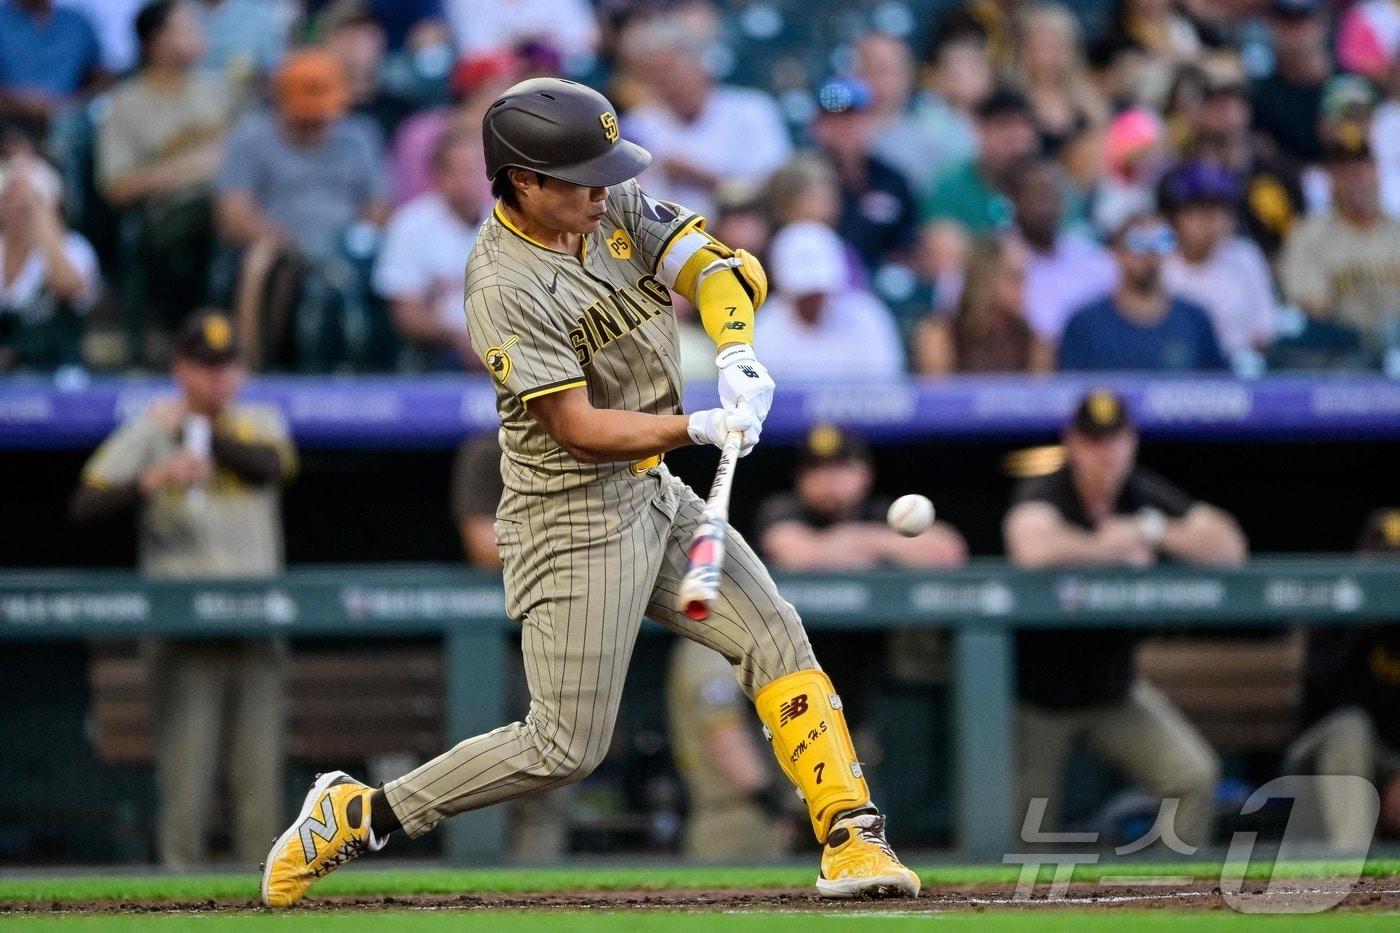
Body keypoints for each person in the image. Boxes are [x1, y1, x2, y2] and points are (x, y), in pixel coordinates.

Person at [261, 77, 921, 907]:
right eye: (582, 177)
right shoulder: (501, 284)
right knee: (564, 745)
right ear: (523, 180)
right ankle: (361, 813)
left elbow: (716, 267)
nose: (603, 190)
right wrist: (697, 426)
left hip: (652, 489)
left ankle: (852, 834)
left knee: (776, 636)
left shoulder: (606, 201)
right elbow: (576, 427)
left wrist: (735, 352)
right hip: (569, 513)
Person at [70, 310, 297, 868]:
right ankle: (178, 896)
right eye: (205, 366)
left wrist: (202, 435)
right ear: (180, 368)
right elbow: (86, 503)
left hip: (255, 623)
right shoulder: (150, 427)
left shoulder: (257, 421)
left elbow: (270, 467)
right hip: (183, 628)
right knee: (185, 782)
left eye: (226, 366)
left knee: (259, 783)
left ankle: (267, 894)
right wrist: (152, 478)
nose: (217, 378)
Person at [1003, 389, 1245, 850]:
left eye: (1114, 439)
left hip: (1114, 691)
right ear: (1072, 441)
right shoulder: (1049, 488)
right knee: (1022, 835)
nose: (1106, 452)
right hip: (1038, 700)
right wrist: (1108, 548)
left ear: (1131, 440)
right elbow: (1030, 546)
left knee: (1193, 777)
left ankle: (1173, 886)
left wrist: (1151, 529)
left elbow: (1229, 547)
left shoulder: (1141, 493)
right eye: (1093, 440)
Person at [98, 0, 234, 341]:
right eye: (187, 27)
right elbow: (115, 188)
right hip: (163, 216)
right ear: (156, 42)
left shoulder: (216, 91)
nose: (199, 34)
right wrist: (191, 169)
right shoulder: (126, 102)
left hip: (227, 206)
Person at [1288, 508, 1400, 850]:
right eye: (1385, 562)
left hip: (1391, 761)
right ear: (1363, 558)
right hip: (1320, 756)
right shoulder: (1336, 608)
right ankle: (1352, 865)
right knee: (1351, 727)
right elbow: (1323, 701)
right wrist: (1366, 624)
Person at [619, 15, 791, 223]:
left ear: (700, 65)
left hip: (751, 230)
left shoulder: (752, 109)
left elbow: (777, 190)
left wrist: (701, 176)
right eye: (651, 74)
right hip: (668, 236)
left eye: (669, 70)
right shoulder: (636, 126)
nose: (663, 81)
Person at [756, 425, 967, 572]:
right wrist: (887, 548)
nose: (827, 479)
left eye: (840, 467)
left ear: (866, 475)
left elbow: (947, 552)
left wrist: (851, 544)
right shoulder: (782, 508)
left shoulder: (883, 512)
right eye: (815, 468)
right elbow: (802, 557)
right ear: (799, 478)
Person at [666, 637, 796, 860]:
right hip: (737, 820)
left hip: (740, 815)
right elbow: (725, 738)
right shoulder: (709, 648)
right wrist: (774, 808)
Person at [1279, 128, 1400, 356]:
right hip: (1344, 356)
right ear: (1331, 179)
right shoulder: (1310, 233)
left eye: (1363, 167)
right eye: (1345, 170)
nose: (1357, 178)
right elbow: (1312, 307)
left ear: (1377, 171)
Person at [373, 130, 485, 370]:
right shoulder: (410, 224)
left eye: (474, 169)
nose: (466, 180)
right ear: (438, 176)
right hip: (440, 352)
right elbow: (406, 315)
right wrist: (460, 338)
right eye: (456, 170)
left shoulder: (515, 224)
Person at [1058, 213, 1228, 372]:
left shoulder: (1195, 320)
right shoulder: (1085, 324)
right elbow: (1069, 387)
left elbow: (1219, 384)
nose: (1149, 252)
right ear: (1116, 252)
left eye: (1161, 241)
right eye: (1138, 242)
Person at [754, 221, 907, 383]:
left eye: (819, 292)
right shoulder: (764, 327)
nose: (813, 300)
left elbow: (888, 387)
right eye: (803, 294)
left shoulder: (866, 316)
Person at [1160, 160, 1278, 359]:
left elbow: (1265, 332)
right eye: (1199, 210)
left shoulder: (1244, 256)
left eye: (1219, 209)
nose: (1211, 220)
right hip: (1175, 369)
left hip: (1237, 368)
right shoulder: (1158, 260)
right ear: (1175, 217)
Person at [806, 75, 917, 273]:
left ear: (869, 120)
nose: (843, 126)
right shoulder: (802, 181)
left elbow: (907, 245)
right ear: (818, 124)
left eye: (851, 116)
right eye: (833, 118)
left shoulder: (892, 181)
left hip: (882, 280)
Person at [0, 154, 98, 371]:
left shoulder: (75, 247)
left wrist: (42, 215)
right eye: (7, 198)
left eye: (28, 200)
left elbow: (68, 288)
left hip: (57, 371)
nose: (16, 206)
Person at [853, 31, 977, 203]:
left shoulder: (937, 126)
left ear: (907, 75)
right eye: (866, 68)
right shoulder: (837, 128)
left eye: (884, 69)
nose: (875, 79)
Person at [1007, 156, 1118, 344]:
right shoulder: (996, 259)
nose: (1047, 205)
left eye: (1053, 194)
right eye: (1038, 194)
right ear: (1015, 200)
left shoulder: (1093, 259)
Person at [914, 235, 1053, 375]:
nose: (1023, 287)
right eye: (1015, 277)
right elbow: (936, 387)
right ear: (985, 279)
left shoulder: (1033, 340)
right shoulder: (941, 335)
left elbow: (1039, 386)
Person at [921, 87, 1039, 235]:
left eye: (1025, 125)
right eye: (1005, 125)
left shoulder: (1049, 184)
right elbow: (939, 237)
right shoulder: (951, 185)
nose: (1017, 136)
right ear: (979, 129)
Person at [1012, 2, 1108, 157]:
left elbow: (1102, 153)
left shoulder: (1089, 103)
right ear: (1023, 48)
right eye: (1039, 45)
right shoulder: (1012, 100)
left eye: (1055, 45)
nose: (1046, 56)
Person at [0, 0, 107, 135]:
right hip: (9, 120)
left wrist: (72, 104)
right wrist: (19, 102)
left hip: (69, 120)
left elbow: (102, 78)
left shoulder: (76, 23)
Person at [1251, 0, 1335, 166]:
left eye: (1303, 18)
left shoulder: (1354, 86)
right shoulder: (1261, 99)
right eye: (1286, 19)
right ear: (1271, 25)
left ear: (1323, 21)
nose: (1295, 31)